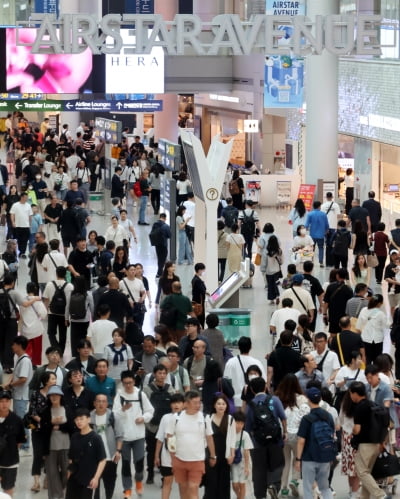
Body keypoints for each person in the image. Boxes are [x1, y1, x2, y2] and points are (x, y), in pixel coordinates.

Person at [166, 390, 216, 499]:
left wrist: (213, 455)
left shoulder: (204, 418)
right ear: (186, 404)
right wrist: (172, 457)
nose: (198, 405)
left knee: (193, 488)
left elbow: (209, 437)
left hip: (197, 460)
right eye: (195, 403)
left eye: (199, 402)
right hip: (179, 459)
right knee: (183, 490)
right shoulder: (176, 418)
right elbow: (169, 436)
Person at [113, 370, 154, 498]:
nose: (128, 385)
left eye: (130, 382)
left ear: (134, 381)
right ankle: (127, 489)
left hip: (139, 435)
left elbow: (150, 410)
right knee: (125, 464)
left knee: (139, 462)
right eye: (125, 383)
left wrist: (143, 418)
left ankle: (138, 481)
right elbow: (114, 415)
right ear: (122, 383)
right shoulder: (119, 396)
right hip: (124, 437)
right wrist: (122, 410)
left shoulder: (140, 394)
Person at [245, 376, 287, 499]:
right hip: (275, 440)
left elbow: (247, 427)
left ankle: (260, 494)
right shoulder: (275, 400)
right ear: (265, 387)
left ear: (252, 390)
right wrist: (285, 432)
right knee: (277, 464)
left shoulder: (250, 405)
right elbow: (283, 418)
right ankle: (274, 485)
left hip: (258, 443)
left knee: (259, 469)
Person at [349, 381, 390, 499]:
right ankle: (364, 497)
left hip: (365, 444)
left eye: (351, 394)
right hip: (377, 443)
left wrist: (352, 430)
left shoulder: (359, 408)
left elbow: (357, 429)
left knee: (362, 472)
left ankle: (380, 495)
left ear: (355, 393)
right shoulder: (373, 404)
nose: (351, 396)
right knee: (368, 473)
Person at [295, 387, 335, 499]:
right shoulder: (328, 416)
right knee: (325, 487)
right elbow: (333, 435)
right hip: (325, 456)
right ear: (320, 399)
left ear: (308, 400)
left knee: (307, 488)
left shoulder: (306, 419)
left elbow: (301, 441)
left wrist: (298, 459)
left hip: (309, 457)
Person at [274, 374, 310, 497]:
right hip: (298, 435)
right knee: (297, 459)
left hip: (283, 435)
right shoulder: (302, 399)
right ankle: (294, 480)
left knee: (285, 462)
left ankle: (283, 488)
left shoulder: (277, 398)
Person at [66, 408, 106, 499]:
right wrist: (68, 474)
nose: (78, 422)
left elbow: (102, 460)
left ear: (88, 419)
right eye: (76, 420)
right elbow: (71, 458)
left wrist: (96, 478)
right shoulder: (74, 437)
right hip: (74, 479)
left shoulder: (96, 438)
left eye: (81, 418)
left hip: (89, 479)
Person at [90, 393, 124, 499]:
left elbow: (119, 436)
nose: (101, 403)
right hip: (94, 457)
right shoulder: (89, 417)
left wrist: (118, 451)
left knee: (110, 481)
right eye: (98, 401)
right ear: (94, 403)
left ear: (107, 403)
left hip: (111, 455)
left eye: (103, 401)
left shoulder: (113, 416)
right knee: (95, 482)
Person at [203, 394, 236, 499]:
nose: (221, 406)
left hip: (224, 455)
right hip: (211, 454)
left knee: (224, 482)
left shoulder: (230, 419)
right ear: (214, 405)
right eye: (218, 403)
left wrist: (232, 454)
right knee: (211, 482)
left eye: (223, 404)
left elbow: (233, 439)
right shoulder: (208, 418)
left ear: (226, 406)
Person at [5, 336, 33, 455]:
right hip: (18, 395)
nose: (12, 346)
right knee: (20, 420)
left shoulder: (25, 360)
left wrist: (11, 385)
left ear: (19, 345)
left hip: (21, 396)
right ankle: (22, 443)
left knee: (22, 421)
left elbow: (23, 379)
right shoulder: (20, 359)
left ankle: (25, 445)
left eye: (14, 344)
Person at [154, 393, 185, 499]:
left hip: (183, 456)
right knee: (167, 481)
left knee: (182, 483)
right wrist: (156, 456)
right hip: (167, 456)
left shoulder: (187, 418)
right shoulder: (165, 418)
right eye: (173, 402)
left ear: (184, 404)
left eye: (179, 402)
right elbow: (160, 438)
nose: (176, 405)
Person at [224, 336, 266, 408]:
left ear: (239, 347)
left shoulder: (230, 362)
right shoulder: (257, 363)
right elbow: (264, 381)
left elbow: (226, 382)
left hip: (235, 401)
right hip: (253, 402)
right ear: (250, 347)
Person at [0, 389, 26, 497]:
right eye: (1, 401)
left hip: (10, 462)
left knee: (8, 489)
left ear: (10, 402)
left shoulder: (17, 420)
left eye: (7, 401)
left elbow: (20, 441)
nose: (4, 404)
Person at [19, 281, 47, 367]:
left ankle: (25, 363)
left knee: (25, 348)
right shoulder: (38, 301)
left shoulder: (22, 301)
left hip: (25, 330)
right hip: (36, 329)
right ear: (35, 289)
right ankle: (34, 364)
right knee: (37, 349)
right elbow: (43, 314)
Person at [66, 275, 94, 355]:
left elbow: (67, 307)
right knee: (84, 337)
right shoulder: (88, 294)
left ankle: (75, 354)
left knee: (74, 339)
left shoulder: (71, 293)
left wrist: (66, 318)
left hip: (74, 319)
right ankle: (84, 353)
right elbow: (92, 307)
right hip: (85, 319)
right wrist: (93, 319)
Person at [356, 294, 388, 364]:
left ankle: (367, 373)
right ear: (379, 303)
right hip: (377, 340)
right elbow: (385, 327)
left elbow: (358, 326)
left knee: (367, 360)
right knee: (377, 361)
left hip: (365, 339)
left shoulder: (363, 310)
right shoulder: (381, 314)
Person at [323, 268, 353, 334]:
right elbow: (350, 304)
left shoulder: (330, 287)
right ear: (346, 277)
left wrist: (325, 314)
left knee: (333, 335)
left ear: (337, 275)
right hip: (344, 316)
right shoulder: (349, 289)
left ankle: (332, 344)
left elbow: (326, 302)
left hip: (333, 316)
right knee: (344, 335)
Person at [231, 411, 253, 499]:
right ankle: (239, 497)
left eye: (241, 423)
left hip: (244, 463)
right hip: (234, 463)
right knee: (235, 484)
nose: (239, 425)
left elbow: (247, 451)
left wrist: (247, 467)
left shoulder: (245, 435)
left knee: (242, 484)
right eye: (237, 422)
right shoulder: (230, 435)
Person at [305, 200, 329, 267]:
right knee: (321, 248)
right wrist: (326, 230)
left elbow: (306, 224)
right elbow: (327, 224)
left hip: (312, 234)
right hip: (321, 235)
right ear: (319, 206)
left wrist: (304, 231)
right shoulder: (323, 214)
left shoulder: (310, 214)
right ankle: (321, 262)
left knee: (311, 248)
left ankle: (310, 261)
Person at [9, 191, 32, 258]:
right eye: (25, 197)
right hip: (17, 225)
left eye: (27, 197)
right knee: (18, 240)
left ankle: (22, 252)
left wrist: (30, 225)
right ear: (22, 197)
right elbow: (12, 214)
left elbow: (30, 216)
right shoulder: (15, 205)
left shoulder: (28, 205)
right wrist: (13, 222)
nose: (26, 198)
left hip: (26, 226)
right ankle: (17, 251)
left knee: (25, 240)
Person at [321, 192, 341, 266]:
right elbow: (339, 216)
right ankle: (332, 262)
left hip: (325, 228)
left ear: (326, 197)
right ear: (332, 197)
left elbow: (322, 217)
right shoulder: (336, 205)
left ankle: (327, 262)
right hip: (333, 227)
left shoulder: (323, 206)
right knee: (333, 244)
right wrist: (338, 227)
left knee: (327, 244)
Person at [264, 235, 283, 305]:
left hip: (268, 270)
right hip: (276, 270)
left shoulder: (266, 250)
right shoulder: (279, 250)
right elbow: (282, 261)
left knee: (270, 285)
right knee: (275, 283)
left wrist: (263, 268)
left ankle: (271, 300)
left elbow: (264, 261)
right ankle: (277, 296)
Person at [151, 213, 171, 278]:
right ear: (165, 218)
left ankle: (160, 272)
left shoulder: (154, 224)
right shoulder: (166, 226)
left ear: (159, 217)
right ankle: (159, 273)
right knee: (163, 259)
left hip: (157, 245)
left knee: (159, 258)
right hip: (164, 245)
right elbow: (169, 235)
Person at [191, 262, 206, 328]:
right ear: (199, 270)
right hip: (199, 304)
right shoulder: (198, 281)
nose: (204, 272)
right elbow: (202, 290)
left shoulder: (194, 279)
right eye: (203, 270)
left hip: (195, 302)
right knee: (200, 319)